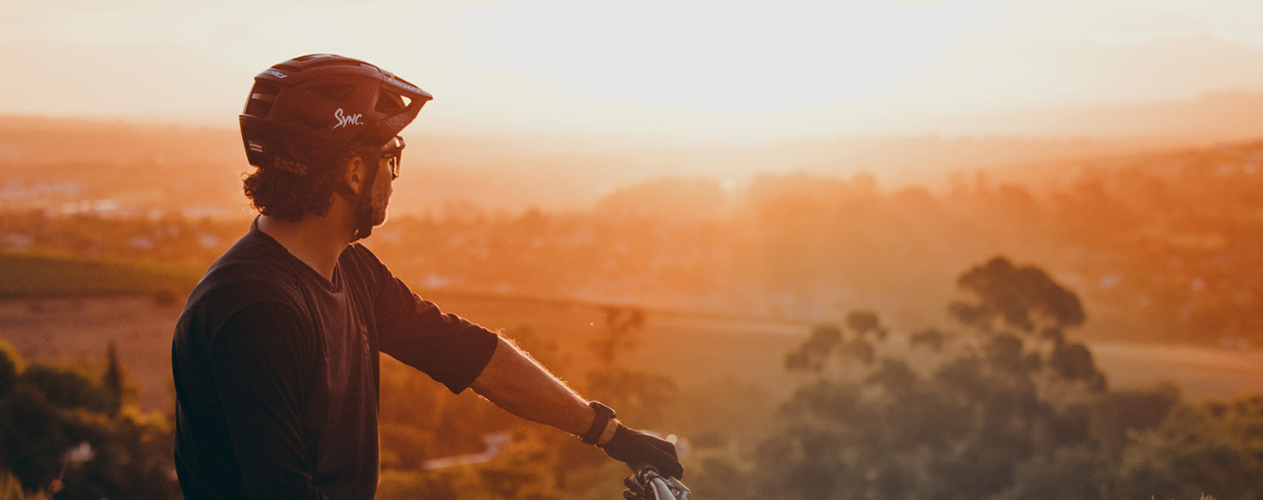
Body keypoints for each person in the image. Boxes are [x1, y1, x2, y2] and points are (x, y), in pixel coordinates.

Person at [171, 54, 683, 500]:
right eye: (390, 158)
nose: (394, 178)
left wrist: (608, 433)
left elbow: (470, 355)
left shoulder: (347, 269)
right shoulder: (257, 311)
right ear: (353, 172)